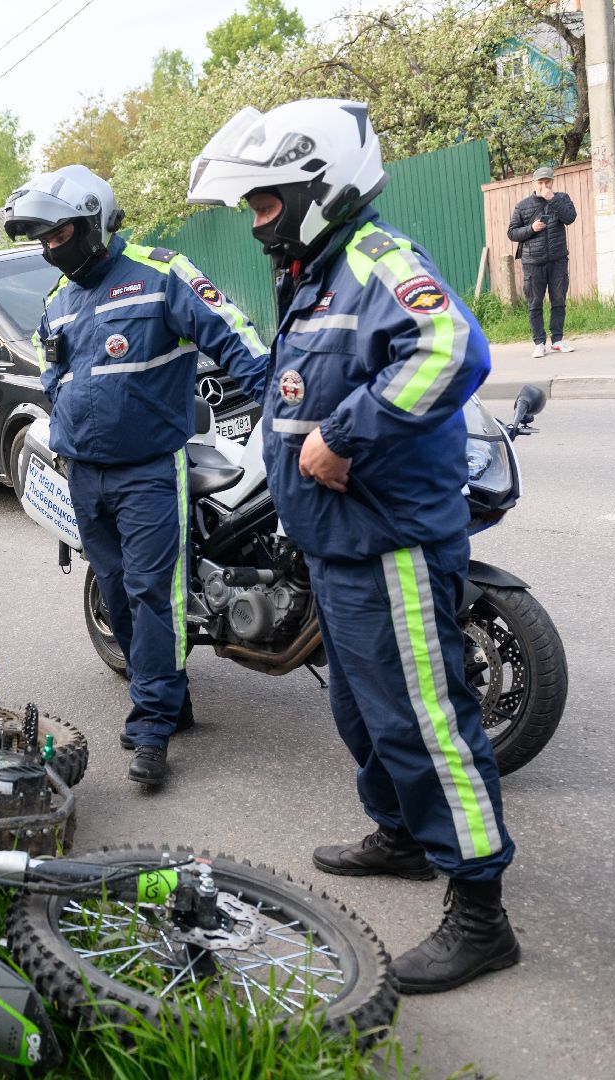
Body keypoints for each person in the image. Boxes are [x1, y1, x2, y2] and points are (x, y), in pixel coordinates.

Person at [186, 99, 518, 993]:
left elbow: (452, 346)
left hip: (391, 540)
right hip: (336, 543)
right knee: (361, 715)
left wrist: (345, 434)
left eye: (265, 202)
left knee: (423, 722)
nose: (256, 221)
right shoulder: (314, 270)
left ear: (319, 188)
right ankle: (404, 836)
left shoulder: (377, 259)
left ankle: (481, 913)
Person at [2, 165, 270, 787]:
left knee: (155, 594)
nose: (50, 247)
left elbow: (239, 343)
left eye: (59, 232)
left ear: (95, 220)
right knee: (118, 592)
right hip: (85, 476)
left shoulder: (162, 272)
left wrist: (288, 413)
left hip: (150, 471)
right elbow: (54, 378)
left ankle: (152, 726)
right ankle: (172, 701)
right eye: (40, 237)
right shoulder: (58, 302)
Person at [507, 166, 578, 358]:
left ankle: (557, 340)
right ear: (534, 183)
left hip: (558, 260)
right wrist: (531, 228)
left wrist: (551, 199)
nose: (544, 185)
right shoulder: (523, 206)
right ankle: (539, 343)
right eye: (540, 182)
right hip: (533, 263)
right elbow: (512, 233)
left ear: (552, 182)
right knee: (534, 303)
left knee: (558, 300)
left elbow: (570, 218)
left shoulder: (561, 198)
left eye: (547, 182)